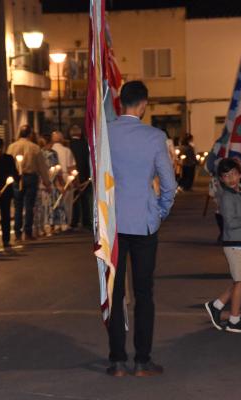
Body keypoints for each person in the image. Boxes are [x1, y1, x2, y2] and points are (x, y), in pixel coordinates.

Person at [106, 80, 177, 377]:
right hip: (145, 223)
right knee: (144, 292)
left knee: (114, 292)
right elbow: (169, 183)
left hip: (113, 225)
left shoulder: (105, 134)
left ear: (122, 102)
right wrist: (160, 211)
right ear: (144, 104)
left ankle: (117, 360)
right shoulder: (154, 136)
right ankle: (142, 360)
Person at [204, 158, 241, 333]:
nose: (231, 178)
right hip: (234, 243)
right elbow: (230, 222)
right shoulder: (226, 196)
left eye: (234, 174)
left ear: (240, 174)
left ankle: (216, 305)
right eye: (226, 176)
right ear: (221, 179)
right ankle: (234, 320)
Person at [7, 125, 51, 241]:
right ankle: (28, 232)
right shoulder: (35, 147)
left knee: (18, 206)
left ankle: (17, 233)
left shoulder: (12, 147)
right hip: (31, 177)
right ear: (30, 134)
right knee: (29, 205)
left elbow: (7, 164)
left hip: (17, 178)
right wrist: (47, 182)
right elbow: (42, 167)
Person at [51, 130, 77, 230]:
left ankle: (56, 223)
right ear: (61, 139)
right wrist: (74, 181)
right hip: (66, 177)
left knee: (55, 201)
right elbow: (71, 167)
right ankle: (65, 223)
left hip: (52, 177)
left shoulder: (49, 150)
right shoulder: (66, 150)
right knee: (67, 202)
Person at [69, 125, 93, 230]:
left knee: (74, 198)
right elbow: (88, 160)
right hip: (84, 174)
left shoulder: (68, 145)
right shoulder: (85, 144)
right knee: (85, 198)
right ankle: (86, 220)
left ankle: (74, 220)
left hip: (72, 175)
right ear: (80, 133)